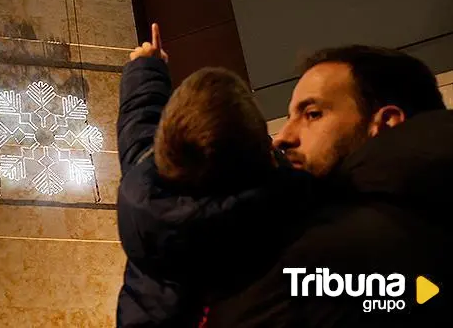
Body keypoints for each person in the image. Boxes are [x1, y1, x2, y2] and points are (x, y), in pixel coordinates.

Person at [206, 45, 452, 327]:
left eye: (312, 114)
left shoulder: (322, 256)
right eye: (289, 118)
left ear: (386, 123)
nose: (281, 138)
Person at [116, 23, 313, 327]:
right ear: (261, 156)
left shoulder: (145, 190)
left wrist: (146, 66)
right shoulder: (284, 218)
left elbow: (139, 123)